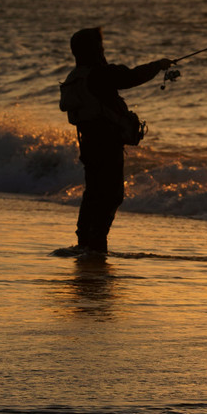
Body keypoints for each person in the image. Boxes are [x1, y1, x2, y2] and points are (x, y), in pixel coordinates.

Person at [59, 27, 173, 255]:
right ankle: (95, 245)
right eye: (100, 47)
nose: (103, 50)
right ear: (94, 50)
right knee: (111, 195)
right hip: (106, 143)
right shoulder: (99, 74)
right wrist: (158, 65)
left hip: (88, 144)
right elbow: (130, 77)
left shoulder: (76, 77)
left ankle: (84, 242)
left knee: (93, 192)